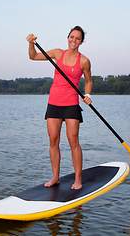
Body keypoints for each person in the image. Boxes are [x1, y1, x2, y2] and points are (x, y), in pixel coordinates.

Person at [26, 26, 92, 190]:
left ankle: (78, 179)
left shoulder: (84, 61)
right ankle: (55, 177)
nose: (73, 40)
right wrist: (31, 43)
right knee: (53, 141)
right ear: (67, 37)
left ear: (81, 42)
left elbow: (89, 81)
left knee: (73, 141)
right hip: (54, 103)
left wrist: (88, 95)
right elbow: (33, 57)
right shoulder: (57, 53)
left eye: (77, 38)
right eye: (71, 37)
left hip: (71, 104)